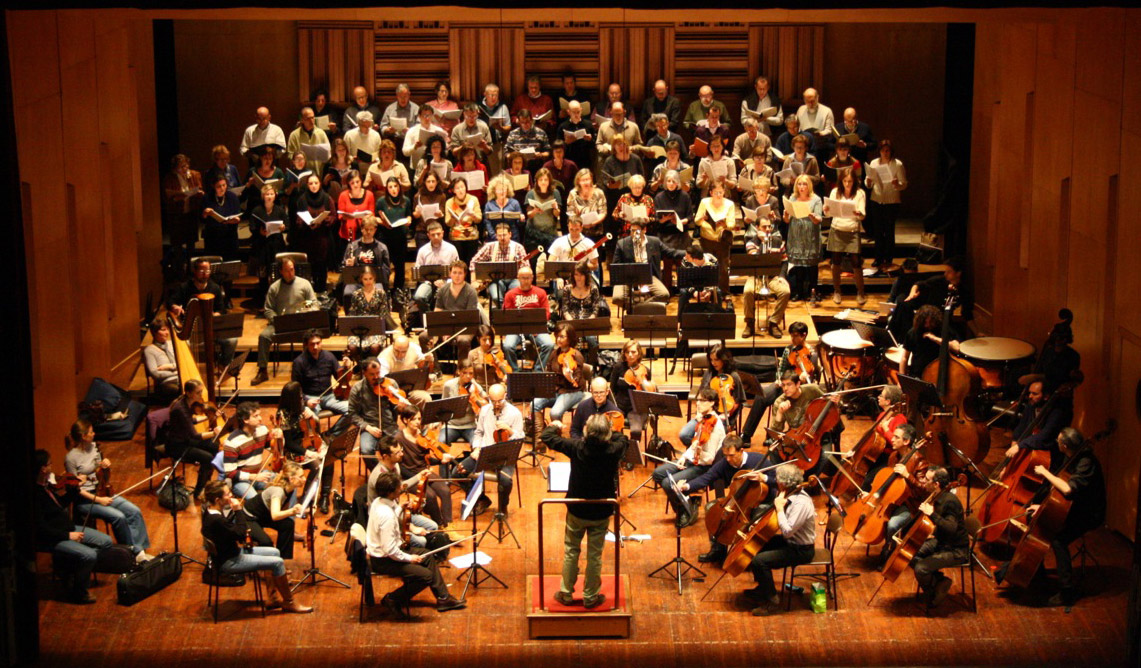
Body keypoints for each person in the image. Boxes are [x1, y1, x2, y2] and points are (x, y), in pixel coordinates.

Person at [994, 427, 1106, 608]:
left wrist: (1045, 473)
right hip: (1071, 507)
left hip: (1088, 513)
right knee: (1035, 520)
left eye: (1058, 441)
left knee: (1058, 540)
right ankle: (1037, 575)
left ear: (1064, 445)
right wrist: (1043, 506)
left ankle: (1067, 591)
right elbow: (1059, 492)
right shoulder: (1071, 456)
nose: (1057, 443)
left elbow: (1068, 489)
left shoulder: (1086, 463)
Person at [540, 413, 626, 609]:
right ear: (606, 433)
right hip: (601, 510)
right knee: (595, 555)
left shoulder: (576, 447)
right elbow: (623, 437)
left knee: (571, 550)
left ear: (587, 431)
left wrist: (555, 425)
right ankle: (590, 597)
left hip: (577, 509)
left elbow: (546, 437)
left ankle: (566, 593)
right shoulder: (614, 449)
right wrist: (609, 430)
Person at [200, 480, 313, 613]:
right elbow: (240, 532)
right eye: (227, 494)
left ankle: (273, 598)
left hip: (231, 552)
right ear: (218, 500)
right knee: (277, 562)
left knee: (275, 552)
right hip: (230, 560)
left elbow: (231, 533)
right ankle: (289, 602)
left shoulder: (209, 512)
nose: (231, 495)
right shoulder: (217, 520)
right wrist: (238, 510)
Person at [366, 471, 466, 619]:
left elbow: (392, 516)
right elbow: (390, 550)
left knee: (428, 556)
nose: (401, 488)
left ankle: (443, 598)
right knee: (426, 576)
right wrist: (409, 558)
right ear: (391, 492)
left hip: (391, 551)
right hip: (384, 559)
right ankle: (392, 599)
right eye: (398, 487)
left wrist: (401, 508)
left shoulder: (379, 501)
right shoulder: (386, 516)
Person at [64, 420, 152, 561]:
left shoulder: (94, 447)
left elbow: (103, 476)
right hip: (85, 500)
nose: (94, 434)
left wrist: (105, 467)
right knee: (119, 517)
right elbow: (74, 489)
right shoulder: (71, 458)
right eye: (91, 432)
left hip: (101, 492)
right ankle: (130, 553)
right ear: (83, 436)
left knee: (134, 511)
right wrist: (99, 500)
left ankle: (139, 551)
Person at [678, 435, 772, 564]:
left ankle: (750, 557)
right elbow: (707, 477)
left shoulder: (759, 460)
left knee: (755, 519)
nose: (728, 459)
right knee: (712, 508)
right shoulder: (725, 463)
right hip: (738, 499)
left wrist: (764, 478)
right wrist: (687, 486)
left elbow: (778, 480)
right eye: (725, 455)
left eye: (731, 455)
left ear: (741, 451)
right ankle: (718, 550)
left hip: (762, 501)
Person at [35, 449, 112, 603]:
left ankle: (71, 569)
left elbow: (60, 504)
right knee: (89, 555)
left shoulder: (46, 486)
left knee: (106, 542)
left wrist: (75, 489)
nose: (52, 467)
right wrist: (68, 536)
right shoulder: (35, 494)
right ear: (43, 469)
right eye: (50, 464)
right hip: (54, 537)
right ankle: (78, 592)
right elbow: (41, 529)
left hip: (67, 528)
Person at [744, 463, 817, 616]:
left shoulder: (801, 503)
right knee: (757, 545)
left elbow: (788, 531)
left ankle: (772, 601)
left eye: (777, 479)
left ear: (783, 483)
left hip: (801, 549)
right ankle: (763, 588)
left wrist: (779, 509)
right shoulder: (788, 493)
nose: (775, 481)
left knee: (759, 561)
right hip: (790, 542)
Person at [653, 388, 724, 527]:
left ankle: (684, 511)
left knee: (668, 483)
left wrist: (698, 452)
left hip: (704, 467)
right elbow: (694, 444)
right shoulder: (703, 419)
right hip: (693, 461)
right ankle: (688, 503)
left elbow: (710, 458)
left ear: (712, 403)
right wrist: (684, 457)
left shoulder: (716, 426)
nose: (698, 403)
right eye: (697, 400)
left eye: (702, 401)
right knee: (658, 473)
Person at [740, 321, 818, 446]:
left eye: (796, 336)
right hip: (784, 384)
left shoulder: (812, 354)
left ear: (804, 335)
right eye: (791, 336)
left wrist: (802, 378)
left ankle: (772, 436)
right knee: (761, 396)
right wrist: (778, 379)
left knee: (779, 402)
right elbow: (781, 369)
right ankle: (746, 435)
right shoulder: (788, 349)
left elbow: (812, 379)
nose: (793, 339)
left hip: (799, 389)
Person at [454, 384, 524, 516]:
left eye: (500, 401)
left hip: (505, 456)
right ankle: (481, 499)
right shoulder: (485, 410)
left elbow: (520, 439)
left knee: (505, 481)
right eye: (493, 401)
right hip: (485, 453)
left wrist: (510, 431)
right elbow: (479, 433)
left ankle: (503, 507)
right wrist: (476, 448)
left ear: (505, 396)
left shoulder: (515, 413)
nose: (496, 404)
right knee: (457, 472)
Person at [909, 466, 970, 609]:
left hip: (955, 550)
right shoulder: (937, 495)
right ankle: (939, 582)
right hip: (942, 542)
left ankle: (933, 594)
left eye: (927, 479)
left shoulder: (950, 501)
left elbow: (950, 528)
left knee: (921, 569)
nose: (923, 481)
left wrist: (932, 514)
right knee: (910, 553)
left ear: (936, 484)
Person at [252, 258, 317, 386]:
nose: (290, 273)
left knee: (311, 335)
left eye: (292, 270)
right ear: (281, 271)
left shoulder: (304, 284)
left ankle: (309, 367)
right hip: (280, 324)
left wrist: (305, 311)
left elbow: (314, 303)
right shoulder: (274, 287)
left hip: (300, 323)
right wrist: (276, 320)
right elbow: (268, 309)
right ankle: (262, 370)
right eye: (287, 271)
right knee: (264, 336)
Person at [276, 381, 336, 513]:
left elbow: (316, 429)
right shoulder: (282, 415)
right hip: (295, 451)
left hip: (309, 443)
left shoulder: (301, 407)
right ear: (292, 398)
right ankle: (305, 500)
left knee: (329, 459)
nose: (302, 397)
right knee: (317, 466)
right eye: (299, 396)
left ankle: (324, 496)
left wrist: (313, 416)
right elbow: (289, 443)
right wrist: (307, 453)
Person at [393, 404, 455, 527]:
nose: (418, 422)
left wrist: (440, 460)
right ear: (405, 420)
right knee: (430, 496)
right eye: (414, 419)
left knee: (445, 491)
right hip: (410, 477)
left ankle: (448, 524)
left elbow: (426, 459)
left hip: (424, 471)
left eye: (419, 419)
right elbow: (399, 467)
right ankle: (439, 524)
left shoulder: (423, 436)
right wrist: (417, 477)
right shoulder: (399, 438)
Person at [167, 379, 228, 498]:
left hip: (186, 440)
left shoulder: (187, 403)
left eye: (201, 391)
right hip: (177, 445)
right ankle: (199, 491)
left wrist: (209, 417)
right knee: (207, 458)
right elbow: (194, 435)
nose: (201, 395)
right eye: (198, 392)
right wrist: (214, 433)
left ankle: (207, 482)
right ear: (189, 393)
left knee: (214, 446)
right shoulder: (180, 408)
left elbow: (191, 420)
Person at [890, 256, 973, 342]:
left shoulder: (963, 291)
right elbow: (919, 284)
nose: (945, 274)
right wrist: (912, 293)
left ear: (958, 273)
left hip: (943, 321)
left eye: (949, 272)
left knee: (958, 341)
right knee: (903, 302)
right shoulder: (941, 280)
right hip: (929, 317)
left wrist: (977, 332)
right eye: (946, 271)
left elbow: (967, 314)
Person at [741, 199, 790, 339]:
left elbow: (784, 261)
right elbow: (757, 260)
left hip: (773, 276)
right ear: (757, 228)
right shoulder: (751, 243)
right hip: (756, 276)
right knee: (748, 291)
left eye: (769, 227)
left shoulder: (778, 242)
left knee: (785, 291)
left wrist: (782, 276)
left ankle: (773, 323)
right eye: (764, 227)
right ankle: (750, 323)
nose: (768, 229)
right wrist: (763, 243)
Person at [242, 461, 306, 560]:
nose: (304, 479)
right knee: (266, 543)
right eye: (301, 476)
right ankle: (269, 563)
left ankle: (281, 559)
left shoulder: (290, 489)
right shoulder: (278, 491)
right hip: (249, 517)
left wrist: (301, 510)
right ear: (291, 479)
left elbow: (282, 510)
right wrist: (293, 511)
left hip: (263, 514)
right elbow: (275, 516)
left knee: (288, 524)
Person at [612, 218, 683, 305]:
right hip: (627, 277)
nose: (634, 234)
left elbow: (670, 252)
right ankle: (635, 307)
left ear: (644, 230)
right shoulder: (622, 243)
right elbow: (616, 265)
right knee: (617, 298)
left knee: (664, 294)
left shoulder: (654, 242)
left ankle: (639, 308)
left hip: (648, 276)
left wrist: (687, 253)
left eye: (637, 231)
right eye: (632, 231)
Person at [1003, 381, 1072, 467]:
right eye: (1030, 393)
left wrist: (1019, 446)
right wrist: (1015, 441)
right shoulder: (1030, 406)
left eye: (1034, 394)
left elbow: (1044, 436)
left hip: (1046, 454)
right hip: (1029, 446)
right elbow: (1021, 426)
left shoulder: (1056, 413)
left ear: (1046, 397)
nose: (1030, 396)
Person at [864, 139, 908, 275]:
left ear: (891, 151)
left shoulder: (897, 164)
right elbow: (868, 183)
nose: (885, 153)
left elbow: (904, 184)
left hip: (891, 201)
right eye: (883, 150)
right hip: (876, 200)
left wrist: (897, 184)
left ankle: (888, 259)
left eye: (888, 150)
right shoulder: (874, 163)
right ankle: (878, 258)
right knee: (877, 231)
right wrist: (868, 182)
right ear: (880, 151)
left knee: (889, 231)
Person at [824, 169, 867, 305]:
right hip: (837, 229)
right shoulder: (835, 192)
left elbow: (863, 215)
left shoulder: (860, 193)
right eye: (845, 181)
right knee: (836, 261)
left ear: (854, 181)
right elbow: (829, 214)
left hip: (852, 230)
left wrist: (859, 213)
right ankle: (837, 291)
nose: (847, 184)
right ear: (841, 181)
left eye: (850, 181)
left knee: (856, 261)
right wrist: (826, 210)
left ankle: (860, 292)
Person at [223, 401, 281, 500]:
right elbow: (230, 473)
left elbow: (273, 449)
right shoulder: (232, 442)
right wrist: (253, 476)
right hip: (241, 481)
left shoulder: (262, 430)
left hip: (259, 474)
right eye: (255, 416)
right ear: (245, 420)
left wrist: (279, 438)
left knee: (288, 483)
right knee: (256, 501)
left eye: (259, 415)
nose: (260, 418)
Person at [501, 266, 554, 371]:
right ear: (518, 278)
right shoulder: (510, 294)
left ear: (532, 278)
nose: (525, 280)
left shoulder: (541, 292)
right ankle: (515, 371)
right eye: (523, 278)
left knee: (549, 344)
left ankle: (538, 370)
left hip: (535, 328)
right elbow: (507, 315)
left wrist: (536, 327)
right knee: (507, 346)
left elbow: (546, 313)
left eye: (528, 278)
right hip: (516, 329)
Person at [289, 173, 335, 294]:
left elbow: (333, 216)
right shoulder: (302, 199)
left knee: (322, 266)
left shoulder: (327, 198)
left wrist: (324, 220)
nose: (313, 186)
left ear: (320, 184)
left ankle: (322, 290)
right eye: (311, 183)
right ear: (307, 185)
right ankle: (310, 292)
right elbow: (298, 219)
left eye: (316, 183)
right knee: (310, 267)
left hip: (322, 238)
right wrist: (306, 223)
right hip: (307, 238)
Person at [533, 323, 587, 424]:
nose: (558, 339)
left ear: (570, 338)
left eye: (562, 337)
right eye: (557, 336)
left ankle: (556, 432)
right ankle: (540, 432)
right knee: (534, 404)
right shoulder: (554, 353)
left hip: (572, 391)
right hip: (556, 389)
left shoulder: (576, 356)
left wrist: (568, 376)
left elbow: (577, 381)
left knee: (555, 413)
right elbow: (549, 372)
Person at [349, 358, 405, 453]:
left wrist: (400, 408)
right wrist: (367, 427)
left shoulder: (391, 384)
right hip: (370, 428)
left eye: (378, 373)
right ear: (364, 373)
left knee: (404, 447)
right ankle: (380, 464)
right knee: (366, 450)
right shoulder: (357, 389)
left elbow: (396, 408)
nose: (376, 377)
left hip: (390, 427)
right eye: (372, 374)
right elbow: (352, 414)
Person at [784, 173, 824, 303]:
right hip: (796, 235)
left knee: (811, 265)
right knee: (798, 265)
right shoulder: (793, 198)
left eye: (804, 184)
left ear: (809, 186)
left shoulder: (816, 199)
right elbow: (787, 220)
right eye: (799, 184)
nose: (802, 187)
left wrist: (813, 217)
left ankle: (813, 291)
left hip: (810, 235)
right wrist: (786, 215)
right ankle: (799, 292)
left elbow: (819, 219)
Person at [557, 261, 610, 359]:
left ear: (586, 275)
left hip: (588, 322)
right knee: (569, 341)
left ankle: (592, 365)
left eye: (581, 274)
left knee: (592, 343)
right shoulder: (567, 289)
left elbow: (596, 308)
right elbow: (565, 309)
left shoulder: (593, 289)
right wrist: (571, 321)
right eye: (576, 274)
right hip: (572, 322)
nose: (578, 277)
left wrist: (590, 320)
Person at [433, 261, 480, 365]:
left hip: (465, 328)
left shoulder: (471, 291)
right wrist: (445, 331)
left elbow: (469, 318)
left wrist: (452, 332)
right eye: (454, 272)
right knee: (424, 337)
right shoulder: (442, 290)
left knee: (463, 340)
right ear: (450, 273)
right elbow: (437, 313)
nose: (457, 276)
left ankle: (462, 369)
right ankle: (435, 368)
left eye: (460, 273)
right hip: (446, 327)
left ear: (465, 274)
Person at [653, 168, 693, 290]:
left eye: (673, 181)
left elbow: (690, 217)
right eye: (668, 181)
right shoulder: (659, 197)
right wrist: (664, 219)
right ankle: (667, 291)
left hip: (681, 235)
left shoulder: (685, 196)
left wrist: (680, 221)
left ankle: (684, 291)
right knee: (667, 266)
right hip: (665, 235)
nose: (671, 184)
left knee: (682, 264)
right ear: (665, 182)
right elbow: (656, 219)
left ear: (678, 183)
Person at [694, 180, 736, 294]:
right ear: (711, 192)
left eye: (721, 192)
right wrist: (702, 218)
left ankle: (724, 292)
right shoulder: (704, 202)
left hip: (722, 240)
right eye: (716, 192)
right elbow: (697, 221)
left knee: (723, 268)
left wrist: (725, 224)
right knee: (707, 266)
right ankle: (708, 292)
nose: (719, 195)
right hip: (707, 239)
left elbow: (732, 224)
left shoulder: (729, 204)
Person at [411, 221, 460, 314]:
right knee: (419, 297)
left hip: (447, 282)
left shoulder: (451, 249)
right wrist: (427, 281)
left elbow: (457, 270)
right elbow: (418, 271)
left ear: (442, 233)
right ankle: (428, 317)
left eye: (438, 234)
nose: (436, 237)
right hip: (428, 282)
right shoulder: (423, 250)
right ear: (428, 235)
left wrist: (446, 282)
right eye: (433, 235)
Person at [161, 153, 204, 257]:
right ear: (175, 168)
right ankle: (179, 265)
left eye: (186, 165)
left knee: (191, 243)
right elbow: (167, 196)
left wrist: (199, 193)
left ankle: (191, 264)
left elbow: (200, 188)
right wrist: (178, 197)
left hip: (191, 212)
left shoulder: (194, 175)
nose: (185, 168)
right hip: (176, 214)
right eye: (181, 167)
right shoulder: (170, 178)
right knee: (177, 244)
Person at [341, 215, 392, 301]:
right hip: (356, 281)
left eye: (371, 229)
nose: (368, 232)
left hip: (375, 281)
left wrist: (373, 277)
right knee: (348, 293)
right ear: (361, 229)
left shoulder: (382, 248)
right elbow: (343, 267)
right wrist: (348, 265)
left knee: (379, 294)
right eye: (366, 229)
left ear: (375, 230)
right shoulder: (352, 246)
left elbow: (387, 270)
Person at [374, 178, 412, 291]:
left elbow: (409, 214)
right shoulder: (381, 201)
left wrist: (409, 220)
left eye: (395, 186)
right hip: (385, 237)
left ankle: (398, 291)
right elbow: (376, 217)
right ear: (387, 188)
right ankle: (384, 291)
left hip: (400, 237)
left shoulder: (406, 200)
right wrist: (384, 222)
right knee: (384, 266)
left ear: (399, 187)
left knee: (400, 267)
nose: (393, 189)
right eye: (390, 187)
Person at [900, 304, 957, 378]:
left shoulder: (943, 330)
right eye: (925, 322)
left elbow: (956, 348)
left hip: (938, 376)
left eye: (931, 322)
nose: (927, 325)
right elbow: (904, 358)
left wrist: (934, 338)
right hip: (917, 375)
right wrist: (901, 377)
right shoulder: (913, 332)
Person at [345, 267, 389, 361]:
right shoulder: (356, 294)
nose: (368, 281)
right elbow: (352, 314)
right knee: (352, 347)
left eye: (370, 278)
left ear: (374, 278)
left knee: (375, 347)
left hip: (375, 329)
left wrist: (377, 322)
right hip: (359, 328)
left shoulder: (381, 293)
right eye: (365, 279)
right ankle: (360, 365)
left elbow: (384, 313)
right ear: (361, 279)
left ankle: (371, 364)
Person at [377, 335, 434, 407]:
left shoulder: (414, 348)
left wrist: (428, 361)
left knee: (425, 398)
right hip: (392, 394)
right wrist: (398, 395)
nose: (400, 355)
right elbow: (382, 382)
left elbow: (422, 366)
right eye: (396, 351)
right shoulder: (383, 358)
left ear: (408, 348)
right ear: (392, 345)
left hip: (411, 390)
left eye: (403, 352)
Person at [440, 361, 484, 446]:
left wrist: (476, 396)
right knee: (441, 442)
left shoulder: (476, 387)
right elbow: (443, 405)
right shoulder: (448, 385)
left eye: (471, 373)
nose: (468, 376)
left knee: (478, 445)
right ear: (458, 372)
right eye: (464, 373)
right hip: (451, 426)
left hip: (470, 426)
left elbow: (485, 404)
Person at [200, 174, 243, 259]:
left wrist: (236, 220)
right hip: (213, 237)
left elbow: (238, 214)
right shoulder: (207, 198)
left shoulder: (232, 197)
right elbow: (202, 220)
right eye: (219, 186)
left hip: (229, 236)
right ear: (213, 186)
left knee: (230, 261)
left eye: (224, 185)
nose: (222, 188)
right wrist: (205, 214)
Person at [524, 167, 563, 255]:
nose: (543, 182)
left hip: (550, 232)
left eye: (546, 180)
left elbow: (557, 214)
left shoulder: (555, 193)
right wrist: (535, 211)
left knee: (550, 259)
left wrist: (555, 208)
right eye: (541, 180)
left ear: (549, 181)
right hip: (534, 234)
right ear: (537, 181)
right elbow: (529, 214)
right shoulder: (531, 193)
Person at [445, 176, 482, 263]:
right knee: (459, 261)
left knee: (471, 261)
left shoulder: (473, 199)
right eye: (457, 188)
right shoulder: (450, 202)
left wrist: (473, 215)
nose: (460, 190)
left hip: (471, 234)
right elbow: (448, 223)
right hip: (456, 234)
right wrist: (453, 218)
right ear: (453, 190)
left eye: (462, 187)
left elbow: (479, 219)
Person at [143, 319, 181, 400]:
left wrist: (169, 366)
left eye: (167, 329)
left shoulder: (172, 344)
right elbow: (155, 373)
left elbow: (180, 363)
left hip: (178, 379)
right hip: (164, 383)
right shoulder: (149, 350)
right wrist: (176, 373)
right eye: (163, 330)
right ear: (154, 332)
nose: (167, 333)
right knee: (181, 390)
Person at [566, 168, 608, 242]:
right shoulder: (573, 193)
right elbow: (570, 212)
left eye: (587, 179)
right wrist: (579, 223)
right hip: (578, 230)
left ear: (591, 179)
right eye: (583, 180)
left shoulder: (599, 193)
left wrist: (592, 223)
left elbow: (603, 212)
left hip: (596, 231)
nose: (585, 182)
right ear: (578, 181)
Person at [466, 324, 513, 389]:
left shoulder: (497, 352)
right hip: (477, 386)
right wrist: (477, 388)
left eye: (490, 339)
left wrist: (505, 376)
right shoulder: (472, 353)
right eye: (484, 340)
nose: (488, 342)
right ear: (478, 339)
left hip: (495, 386)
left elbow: (501, 375)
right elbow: (470, 375)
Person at [288, 106, 331, 176]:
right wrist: (299, 157)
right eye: (308, 119)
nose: (311, 121)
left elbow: (328, 154)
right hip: (301, 174)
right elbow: (290, 155)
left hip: (318, 173)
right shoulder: (294, 135)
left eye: (312, 118)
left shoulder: (321, 133)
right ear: (302, 120)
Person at [336, 169, 375, 245]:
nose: (355, 185)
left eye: (357, 182)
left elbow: (372, 213)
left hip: (365, 232)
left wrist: (367, 216)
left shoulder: (369, 195)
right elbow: (340, 216)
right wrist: (346, 217)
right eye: (352, 183)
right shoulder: (343, 195)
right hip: (347, 233)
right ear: (348, 183)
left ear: (361, 181)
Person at [483, 173, 526, 243]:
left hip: (512, 238)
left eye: (504, 189)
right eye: (499, 189)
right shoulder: (489, 205)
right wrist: (494, 236)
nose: (502, 192)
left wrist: (521, 220)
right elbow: (487, 223)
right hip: (494, 239)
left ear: (507, 190)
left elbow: (520, 224)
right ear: (494, 191)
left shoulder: (514, 203)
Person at [794, 88, 835, 159]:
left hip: (820, 146)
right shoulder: (801, 109)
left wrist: (820, 133)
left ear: (817, 98)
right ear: (804, 100)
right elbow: (797, 127)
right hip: (804, 146)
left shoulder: (827, 111)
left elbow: (829, 130)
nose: (810, 104)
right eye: (807, 101)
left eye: (812, 101)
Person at [554, 101, 592, 177]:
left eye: (578, 112)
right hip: (569, 159)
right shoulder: (563, 126)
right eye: (574, 112)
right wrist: (566, 143)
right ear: (569, 112)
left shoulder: (588, 124)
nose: (576, 114)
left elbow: (594, 144)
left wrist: (590, 139)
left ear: (581, 110)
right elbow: (557, 145)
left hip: (584, 159)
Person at [379, 83, 419, 149]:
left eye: (405, 96)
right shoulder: (390, 108)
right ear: (397, 96)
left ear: (409, 95)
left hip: (410, 141)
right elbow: (383, 126)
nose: (403, 99)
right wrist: (387, 130)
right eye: (401, 96)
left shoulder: (416, 109)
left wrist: (410, 131)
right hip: (394, 141)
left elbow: (419, 126)